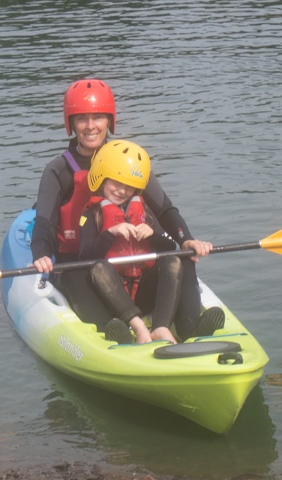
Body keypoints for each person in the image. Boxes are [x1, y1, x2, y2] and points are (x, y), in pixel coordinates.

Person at [30, 78, 224, 340]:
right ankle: (113, 331)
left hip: (133, 272)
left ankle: (188, 329)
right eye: (82, 118)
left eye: (98, 117)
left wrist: (186, 239)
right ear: (71, 123)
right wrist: (41, 253)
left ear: (109, 121)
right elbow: (44, 221)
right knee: (73, 274)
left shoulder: (130, 161)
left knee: (184, 257)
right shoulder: (58, 170)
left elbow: (164, 209)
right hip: (86, 271)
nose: (90, 126)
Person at [78, 140, 182, 344]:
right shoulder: (90, 214)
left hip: (144, 291)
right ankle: (138, 326)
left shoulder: (144, 211)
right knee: (99, 268)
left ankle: (161, 327)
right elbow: (85, 257)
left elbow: (170, 247)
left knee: (173, 261)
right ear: (102, 180)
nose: (121, 191)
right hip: (113, 295)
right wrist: (110, 233)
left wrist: (152, 234)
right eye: (116, 183)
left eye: (128, 187)